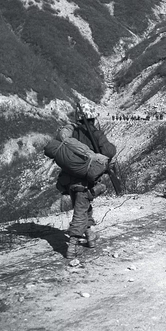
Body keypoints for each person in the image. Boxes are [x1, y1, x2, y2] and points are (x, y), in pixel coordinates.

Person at [56, 104, 117, 259]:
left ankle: (89, 236)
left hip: (68, 178)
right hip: (85, 180)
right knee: (80, 211)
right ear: (93, 118)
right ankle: (71, 245)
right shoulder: (95, 133)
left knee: (83, 206)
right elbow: (109, 152)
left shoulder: (71, 135)